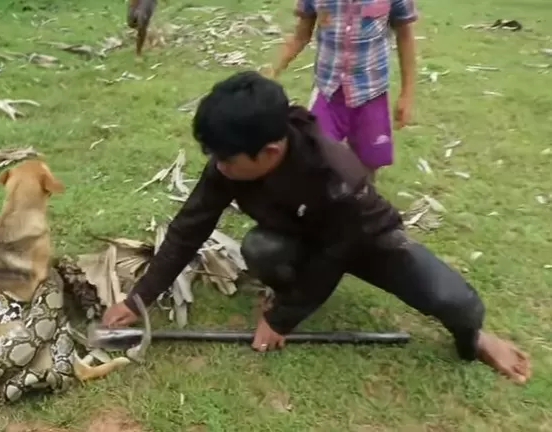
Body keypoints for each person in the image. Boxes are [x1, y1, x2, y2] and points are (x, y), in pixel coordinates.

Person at [101, 71, 531, 384]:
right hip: (298, 236)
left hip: (362, 239)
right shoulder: (231, 161)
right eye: (214, 156)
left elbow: (335, 254)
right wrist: (141, 296)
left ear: (270, 151)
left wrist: (281, 321)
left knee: (452, 301)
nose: (218, 167)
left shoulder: (337, 175)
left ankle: (476, 336)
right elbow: (188, 228)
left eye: (226, 160)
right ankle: (288, 287)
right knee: (262, 248)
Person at [266, 0, 419, 180]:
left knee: (367, 162)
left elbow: (405, 36)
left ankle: (362, 200)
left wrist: (406, 94)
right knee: (317, 156)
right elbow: (301, 35)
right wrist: (273, 69)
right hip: (328, 91)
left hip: (371, 92)